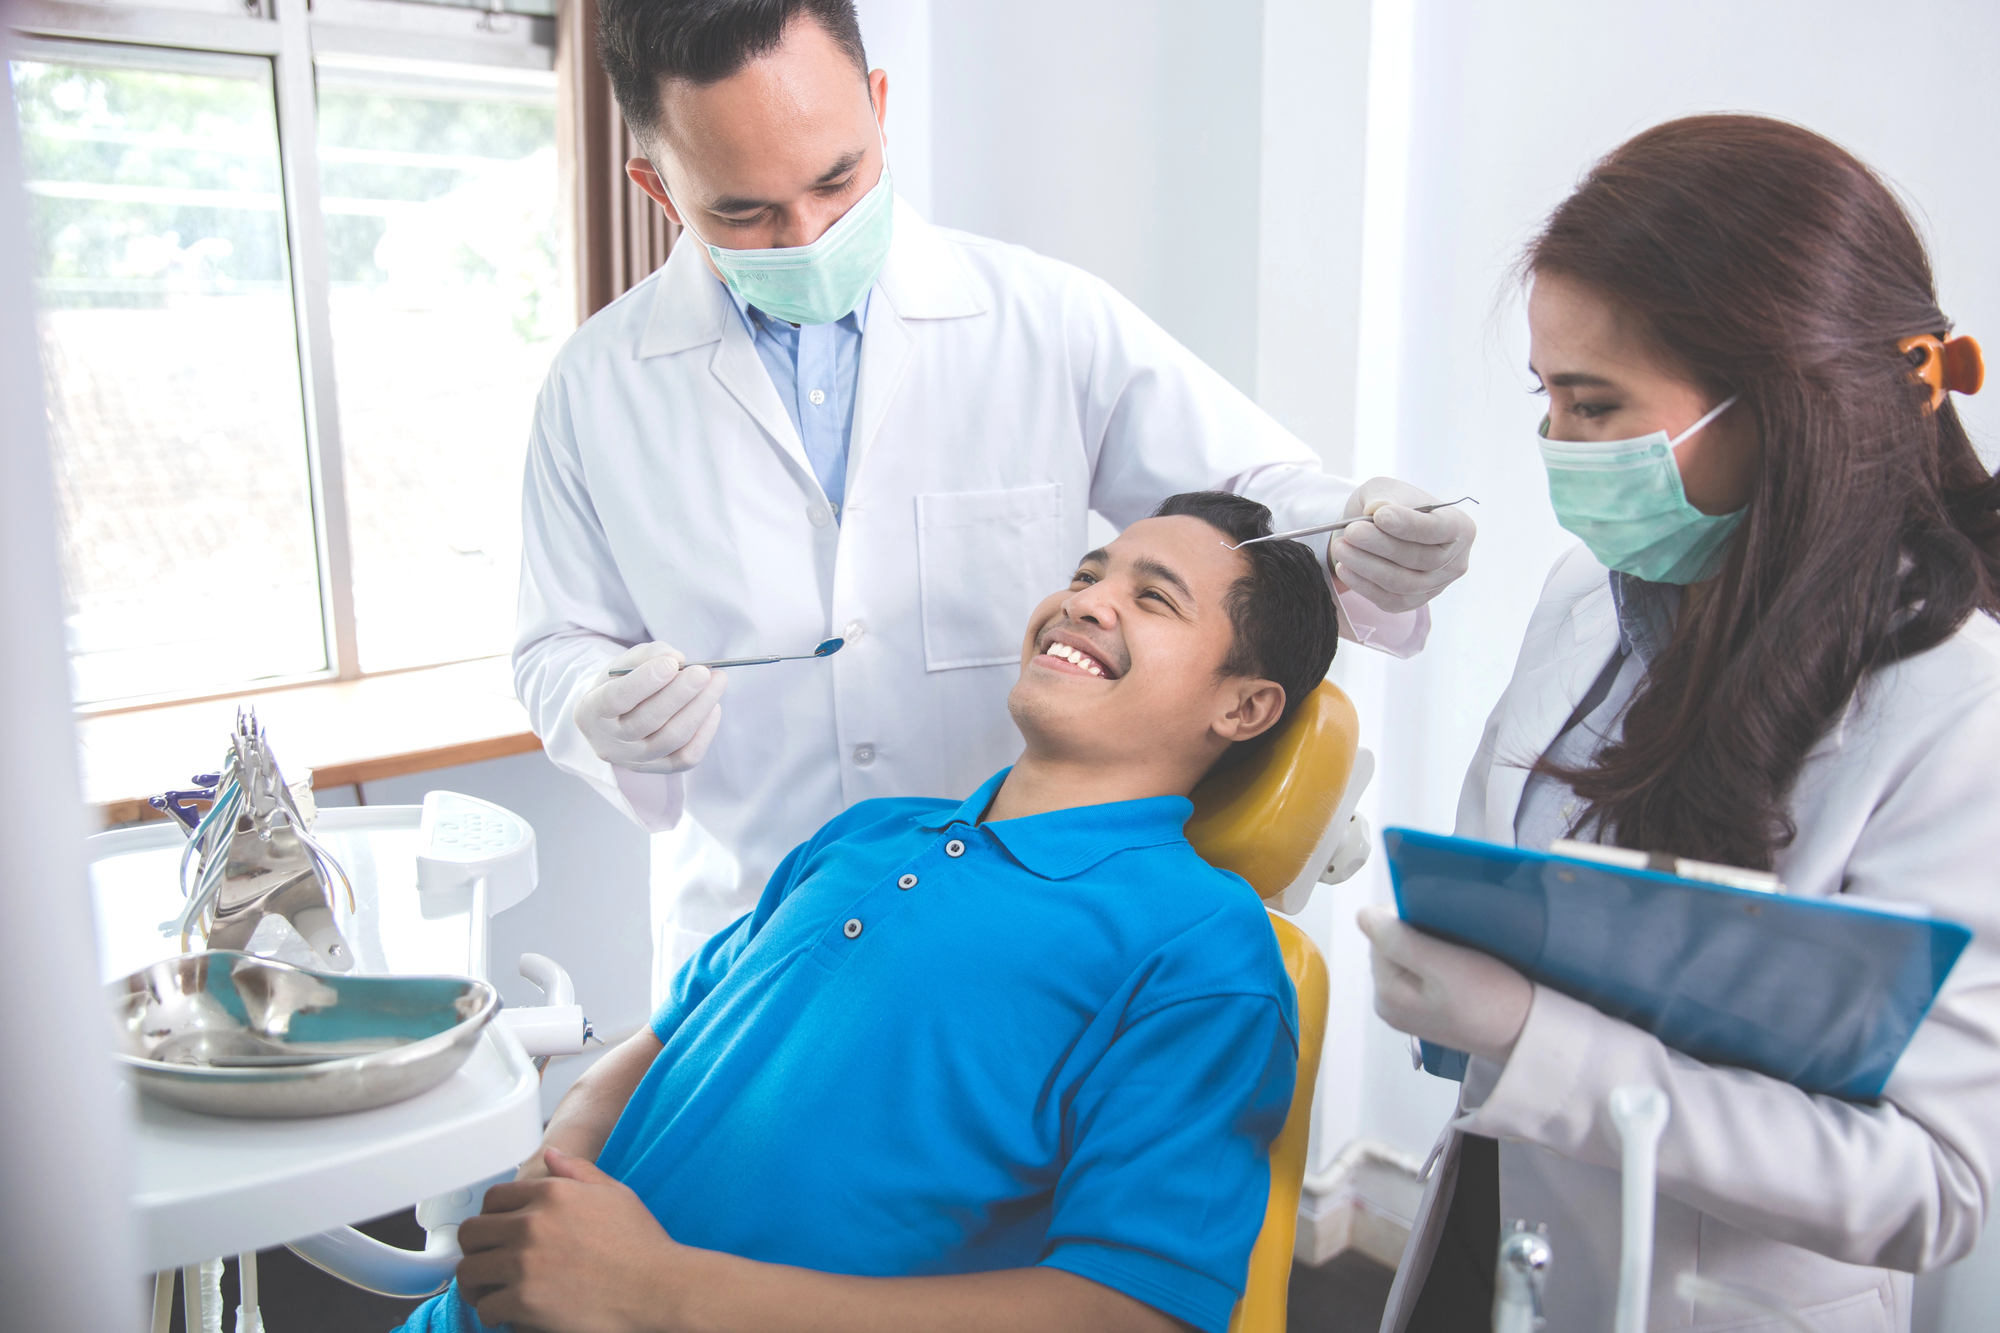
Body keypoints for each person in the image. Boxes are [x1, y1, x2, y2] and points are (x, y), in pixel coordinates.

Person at [514, 0, 1477, 996]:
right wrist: (594, 705)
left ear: (879, 109)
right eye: (741, 211)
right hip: (753, 946)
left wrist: (1366, 538)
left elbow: (1262, 505)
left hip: (1013, 941)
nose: (805, 234)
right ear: (656, 187)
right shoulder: (596, 387)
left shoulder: (1043, 320)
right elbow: (555, 643)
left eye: (836, 179)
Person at [403, 492, 1340, 1333]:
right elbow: (662, 1040)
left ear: (1247, 706)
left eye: (1154, 597)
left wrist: (656, 1292)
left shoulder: (1203, 946)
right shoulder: (869, 834)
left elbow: (1133, 1308)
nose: (1085, 600)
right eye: (1087, 573)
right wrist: (544, 1188)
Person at [1360, 115, 2000, 1333]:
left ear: (1786, 404)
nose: (1556, 447)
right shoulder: (1584, 599)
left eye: (1594, 405)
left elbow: (1932, 1183)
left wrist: (1532, 1038)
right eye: (1546, 397)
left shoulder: (1954, 710)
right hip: (1501, 1235)